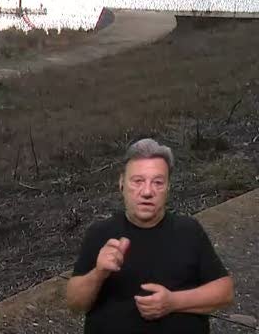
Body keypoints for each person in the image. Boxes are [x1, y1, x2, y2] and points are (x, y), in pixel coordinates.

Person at [66, 138, 234, 333]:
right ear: (122, 183)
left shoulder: (189, 230)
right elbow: (75, 304)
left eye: (157, 182)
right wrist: (98, 273)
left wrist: (173, 302)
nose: (147, 192)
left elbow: (225, 292)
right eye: (138, 181)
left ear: (168, 187)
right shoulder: (100, 233)